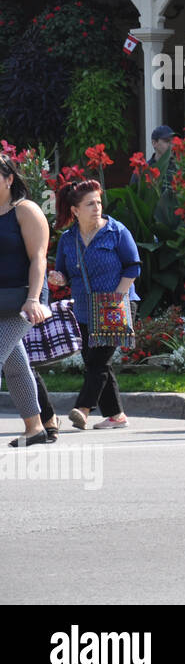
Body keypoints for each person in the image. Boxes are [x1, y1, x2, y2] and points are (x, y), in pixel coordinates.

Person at [48, 179, 139, 430]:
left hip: (117, 304)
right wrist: (59, 278)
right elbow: (63, 272)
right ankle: (116, 415)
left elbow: (133, 266)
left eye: (98, 202)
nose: (97, 207)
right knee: (95, 362)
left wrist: (118, 298)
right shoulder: (68, 240)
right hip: (86, 309)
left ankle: (83, 408)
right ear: (75, 210)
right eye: (90, 204)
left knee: (98, 360)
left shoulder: (116, 231)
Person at [0, 153, 53, 447]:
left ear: (9, 179)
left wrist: (34, 298)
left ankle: (36, 427)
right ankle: (35, 428)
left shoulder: (25, 211)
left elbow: (38, 258)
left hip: (23, 300)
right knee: (15, 365)